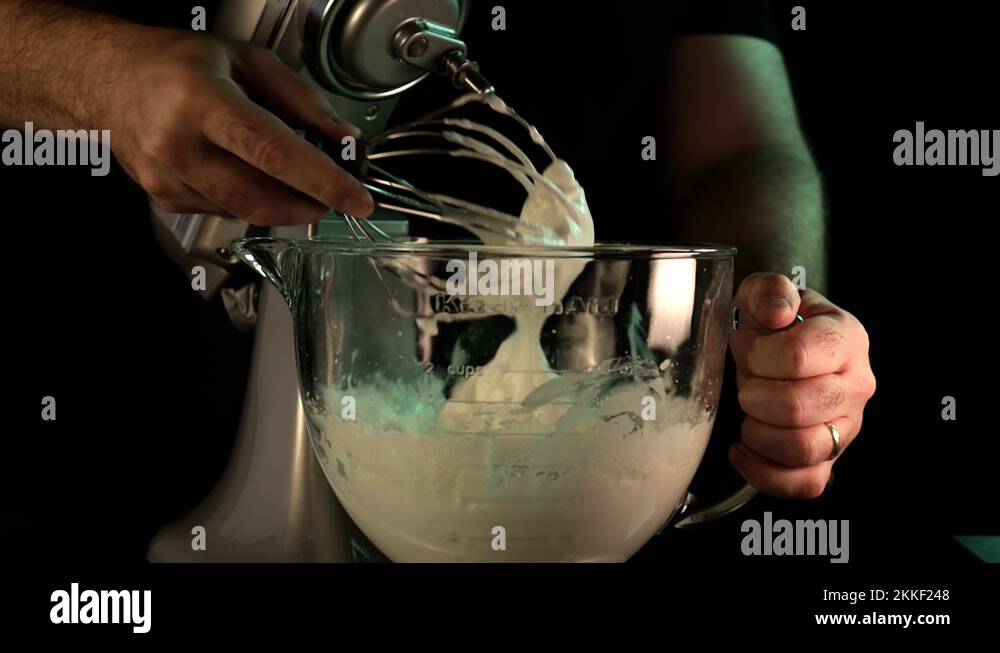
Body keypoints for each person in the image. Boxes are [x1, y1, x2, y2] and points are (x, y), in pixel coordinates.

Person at [0, 0, 875, 500]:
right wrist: (92, 72)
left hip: (606, 447)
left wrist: (779, 328)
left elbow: (740, 145)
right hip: (100, 441)